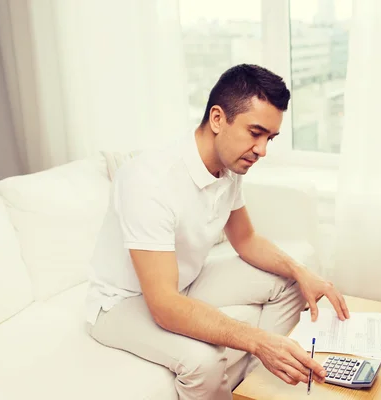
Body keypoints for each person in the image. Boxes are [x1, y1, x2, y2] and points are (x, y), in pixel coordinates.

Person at [85, 64, 350, 400]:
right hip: (120, 304)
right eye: (256, 133)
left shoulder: (229, 166)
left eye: (270, 137)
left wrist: (304, 272)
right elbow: (164, 304)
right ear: (217, 119)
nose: (263, 150)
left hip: (182, 284)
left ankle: (254, 389)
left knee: (292, 282)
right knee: (205, 361)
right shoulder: (149, 180)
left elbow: (246, 240)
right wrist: (257, 339)